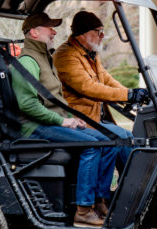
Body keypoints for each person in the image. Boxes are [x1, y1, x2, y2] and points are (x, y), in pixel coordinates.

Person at [10, 12, 120, 228]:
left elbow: (55, 99)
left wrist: (71, 118)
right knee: (93, 145)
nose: (54, 32)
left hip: (51, 123)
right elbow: (28, 105)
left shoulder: (45, 58)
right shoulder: (28, 61)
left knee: (110, 140)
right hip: (36, 127)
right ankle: (83, 211)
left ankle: (100, 201)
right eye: (49, 28)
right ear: (34, 32)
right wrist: (62, 122)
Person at [53, 10, 148, 172]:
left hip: (95, 118)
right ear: (83, 34)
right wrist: (127, 95)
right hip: (81, 120)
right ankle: (125, 190)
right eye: (99, 32)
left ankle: (129, 187)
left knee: (129, 137)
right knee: (123, 138)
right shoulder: (66, 55)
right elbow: (87, 87)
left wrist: (132, 94)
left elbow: (107, 79)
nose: (103, 36)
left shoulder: (90, 55)